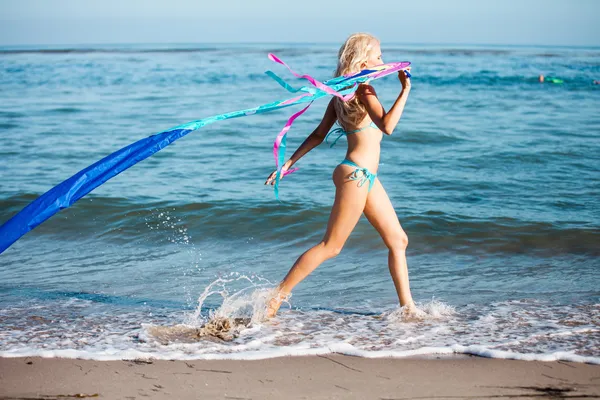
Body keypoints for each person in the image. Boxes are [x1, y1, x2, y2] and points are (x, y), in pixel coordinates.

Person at [264, 33, 416, 318]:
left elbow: (319, 134)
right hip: (357, 175)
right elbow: (388, 126)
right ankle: (276, 296)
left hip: (362, 175)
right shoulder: (363, 90)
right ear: (364, 60)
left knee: (398, 240)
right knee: (331, 246)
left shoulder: (342, 92)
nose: (383, 61)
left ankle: (408, 308)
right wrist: (405, 90)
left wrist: (287, 164)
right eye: (379, 56)